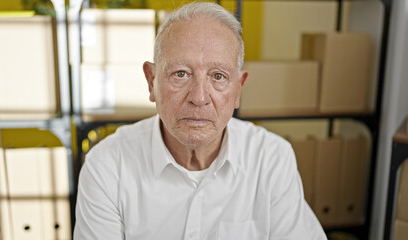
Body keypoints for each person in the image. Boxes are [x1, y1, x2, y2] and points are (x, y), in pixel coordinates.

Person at [74, 2, 327, 239]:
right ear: (152, 81)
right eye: (181, 73)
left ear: (238, 89)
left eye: (218, 76)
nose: (199, 97)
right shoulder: (106, 167)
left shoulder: (272, 159)